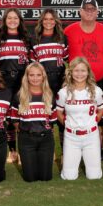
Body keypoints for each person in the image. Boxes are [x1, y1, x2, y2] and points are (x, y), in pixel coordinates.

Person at [64, 0, 103, 161]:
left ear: (98, 12)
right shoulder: (68, 31)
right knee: (74, 115)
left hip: (101, 79)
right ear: (80, 11)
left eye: (93, 9)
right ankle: (71, 150)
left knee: (102, 118)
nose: (89, 12)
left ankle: (98, 150)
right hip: (75, 82)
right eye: (86, 9)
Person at [0, 8, 32, 163]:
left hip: (22, 81)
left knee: (22, 116)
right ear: (5, 20)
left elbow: (31, 62)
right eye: (9, 18)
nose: (12, 21)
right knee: (8, 117)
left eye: (15, 18)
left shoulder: (26, 38)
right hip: (5, 81)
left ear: (20, 20)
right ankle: (12, 151)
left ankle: (23, 150)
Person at [56, 57, 103, 180]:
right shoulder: (63, 92)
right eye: (76, 70)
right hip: (71, 137)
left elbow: (101, 109)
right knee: (69, 177)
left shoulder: (96, 90)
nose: (79, 74)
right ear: (70, 72)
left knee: (94, 176)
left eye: (83, 70)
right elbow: (59, 112)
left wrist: (94, 122)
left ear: (88, 72)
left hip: (91, 136)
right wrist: (67, 124)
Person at [10, 62, 57, 182]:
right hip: (26, 140)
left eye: (38, 75)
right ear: (26, 77)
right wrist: (25, 130)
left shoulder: (50, 96)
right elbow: (15, 120)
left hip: (46, 140)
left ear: (43, 77)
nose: (35, 78)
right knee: (30, 178)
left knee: (45, 178)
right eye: (31, 75)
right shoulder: (19, 96)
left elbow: (52, 121)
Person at [31, 9, 67, 156]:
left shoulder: (62, 38)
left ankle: (65, 151)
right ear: (41, 21)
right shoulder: (35, 40)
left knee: (62, 116)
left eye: (51, 19)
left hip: (60, 81)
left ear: (56, 21)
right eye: (45, 19)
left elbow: (67, 61)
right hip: (43, 82)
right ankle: (49, 151)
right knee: (47, 116)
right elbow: (33, 66)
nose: (48, 22)